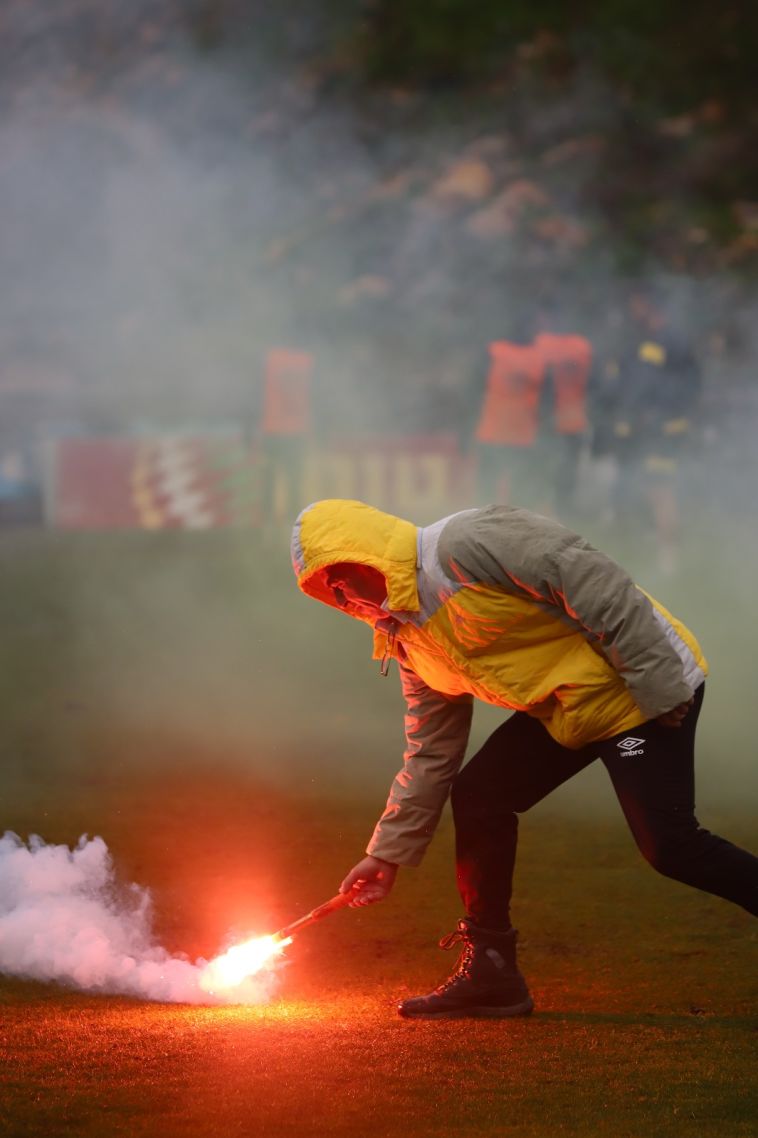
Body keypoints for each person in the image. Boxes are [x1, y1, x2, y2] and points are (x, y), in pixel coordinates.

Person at [291, 499, 758, 1019]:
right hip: (567, 711)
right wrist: (386, 854)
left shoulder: (464, 544)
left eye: (338, 579)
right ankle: (492, 973)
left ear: (363, 555)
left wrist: (660, 685)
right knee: (480, 797)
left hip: (638, 699)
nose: (341, 598)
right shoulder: (404, 637)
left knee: (671, 847)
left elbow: (589, 578)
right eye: (327, 593)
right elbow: (431, 749)